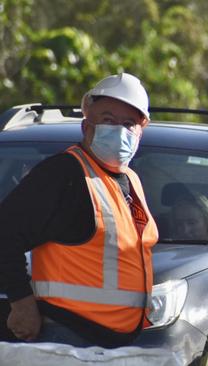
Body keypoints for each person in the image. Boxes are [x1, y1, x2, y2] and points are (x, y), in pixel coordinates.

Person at [0, 72, 158, 348]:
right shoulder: (64, 172)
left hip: (116, 342)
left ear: (140, 131)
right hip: (67, 337)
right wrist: (22, 303)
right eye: (108, 120)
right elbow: (5, 232)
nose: (119, 130)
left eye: (129, 123)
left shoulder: (130, 179)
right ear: (87, 126)